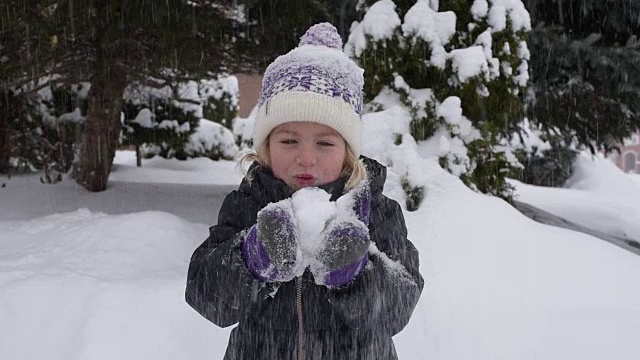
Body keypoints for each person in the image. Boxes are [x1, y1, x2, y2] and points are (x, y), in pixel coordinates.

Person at [185, 22, 424, 360]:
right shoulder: (249, 203)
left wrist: (356, 275)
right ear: (266, 145)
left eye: (325, 142)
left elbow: (399, 307)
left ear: (348, 151)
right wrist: (252, 259)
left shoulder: (375, 210)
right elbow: (204, 296)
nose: (306, 157)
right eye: (289, 140)